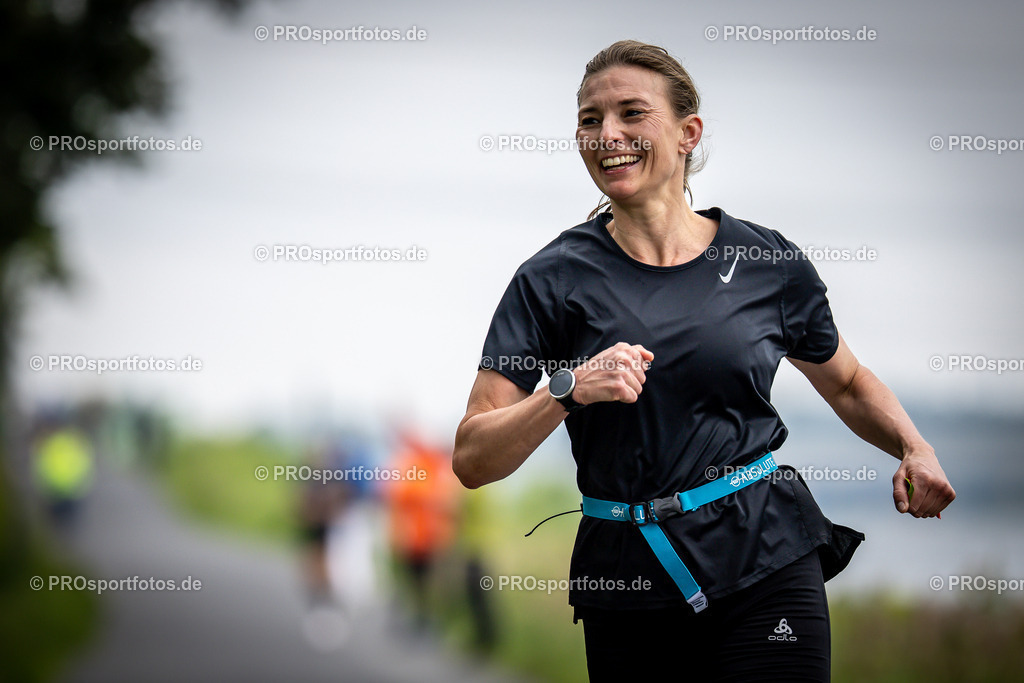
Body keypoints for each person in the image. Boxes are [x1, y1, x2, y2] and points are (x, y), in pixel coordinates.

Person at [453, 40, 955, 681]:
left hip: (767, 554)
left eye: (632, 113)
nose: (608, 134)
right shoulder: (551, 280)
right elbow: (472, 457)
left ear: (688, 133)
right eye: (589, 119)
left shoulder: (766, 264)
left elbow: (850, 383)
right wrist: (566, 389)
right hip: (628, 581)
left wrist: (913, 446)